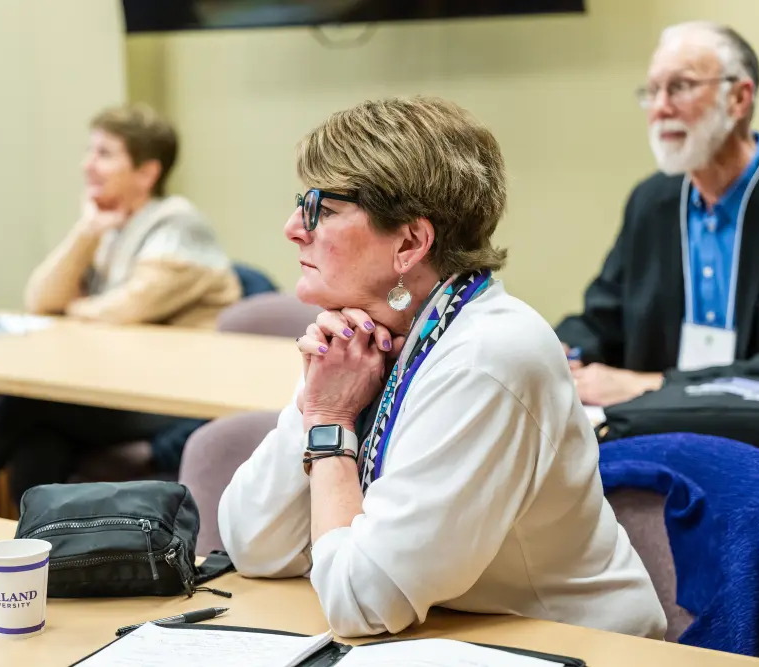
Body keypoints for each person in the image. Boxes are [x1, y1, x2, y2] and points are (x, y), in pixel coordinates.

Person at [217, 97, 666, 639]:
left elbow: (361, 601)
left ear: (409, 243)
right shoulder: (361, 339)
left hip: (575, 645)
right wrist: (318, 406)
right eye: (301, 204)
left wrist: (331, 420)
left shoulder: (489, 357)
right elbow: (254, 545)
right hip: (450, 637)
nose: (293, 228)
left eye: (323, 209)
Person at [0, 104, 241, 510]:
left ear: (147, 173)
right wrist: (86, 231)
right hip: (124, 387)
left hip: (179, 401)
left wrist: (77, 307)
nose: (87, 165)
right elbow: (41, 299)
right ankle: (37, 541)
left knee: (24, 405)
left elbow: (121, 311)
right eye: (89, 151)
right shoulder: (112, 225)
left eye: (104, 154)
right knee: (40, 437)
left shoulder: (179, 225)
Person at [557, 22, 759, 407]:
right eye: (652, 91)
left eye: (679, 87)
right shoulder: (650, 202)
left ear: (738, 98)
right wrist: (559, 351)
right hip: (655, 428)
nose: (660, 108)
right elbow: (603, 320)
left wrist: (654, 386)